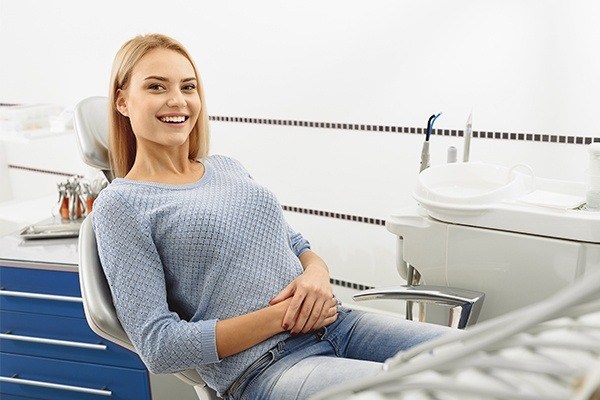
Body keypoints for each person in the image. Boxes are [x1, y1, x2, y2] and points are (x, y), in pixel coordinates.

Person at [92, 33, 453, 400]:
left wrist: (316, 275)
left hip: (338, 324)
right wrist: (285, 316)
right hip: (267, 366)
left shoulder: (226, 168)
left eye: (188, 86)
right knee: (417, 391)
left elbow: (296, 245)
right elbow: (159, 346)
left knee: (487, 357)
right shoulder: (121, 204)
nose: (177, 100)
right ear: (122, 101)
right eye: (156, 87)